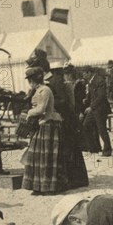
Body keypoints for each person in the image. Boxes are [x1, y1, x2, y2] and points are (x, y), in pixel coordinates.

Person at [21, 67, 67, 195]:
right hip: (41, 125)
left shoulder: (45, 90)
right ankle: (37, 186)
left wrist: (28, 113)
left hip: (48, 125)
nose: (29, 83)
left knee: (47, 157)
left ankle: (48, 187)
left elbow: (41, 109)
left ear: (34, 80)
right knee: (36, 156)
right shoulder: (36, 91)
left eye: (30, 80)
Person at [61, 63, 89, 188]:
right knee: (75, 148)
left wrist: (80, 113)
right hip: (75, 116)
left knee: (73, 148)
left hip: (74, 116)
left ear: (68, 75)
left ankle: (77, 178)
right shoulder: (76, 84)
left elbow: (79, 101)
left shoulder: (76, 85)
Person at [82, 67, 112, 157]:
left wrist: (91, 106)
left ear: (89, 72)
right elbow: (92, 95)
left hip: (100, 109)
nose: (83, 75)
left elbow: (101, 96)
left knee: (102, 130)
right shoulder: (91, 81)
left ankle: (107, 150)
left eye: (84, 73)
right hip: (94, 109)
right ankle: (94, 148)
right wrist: (86, 100)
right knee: (86, 125)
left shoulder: (99, 80)